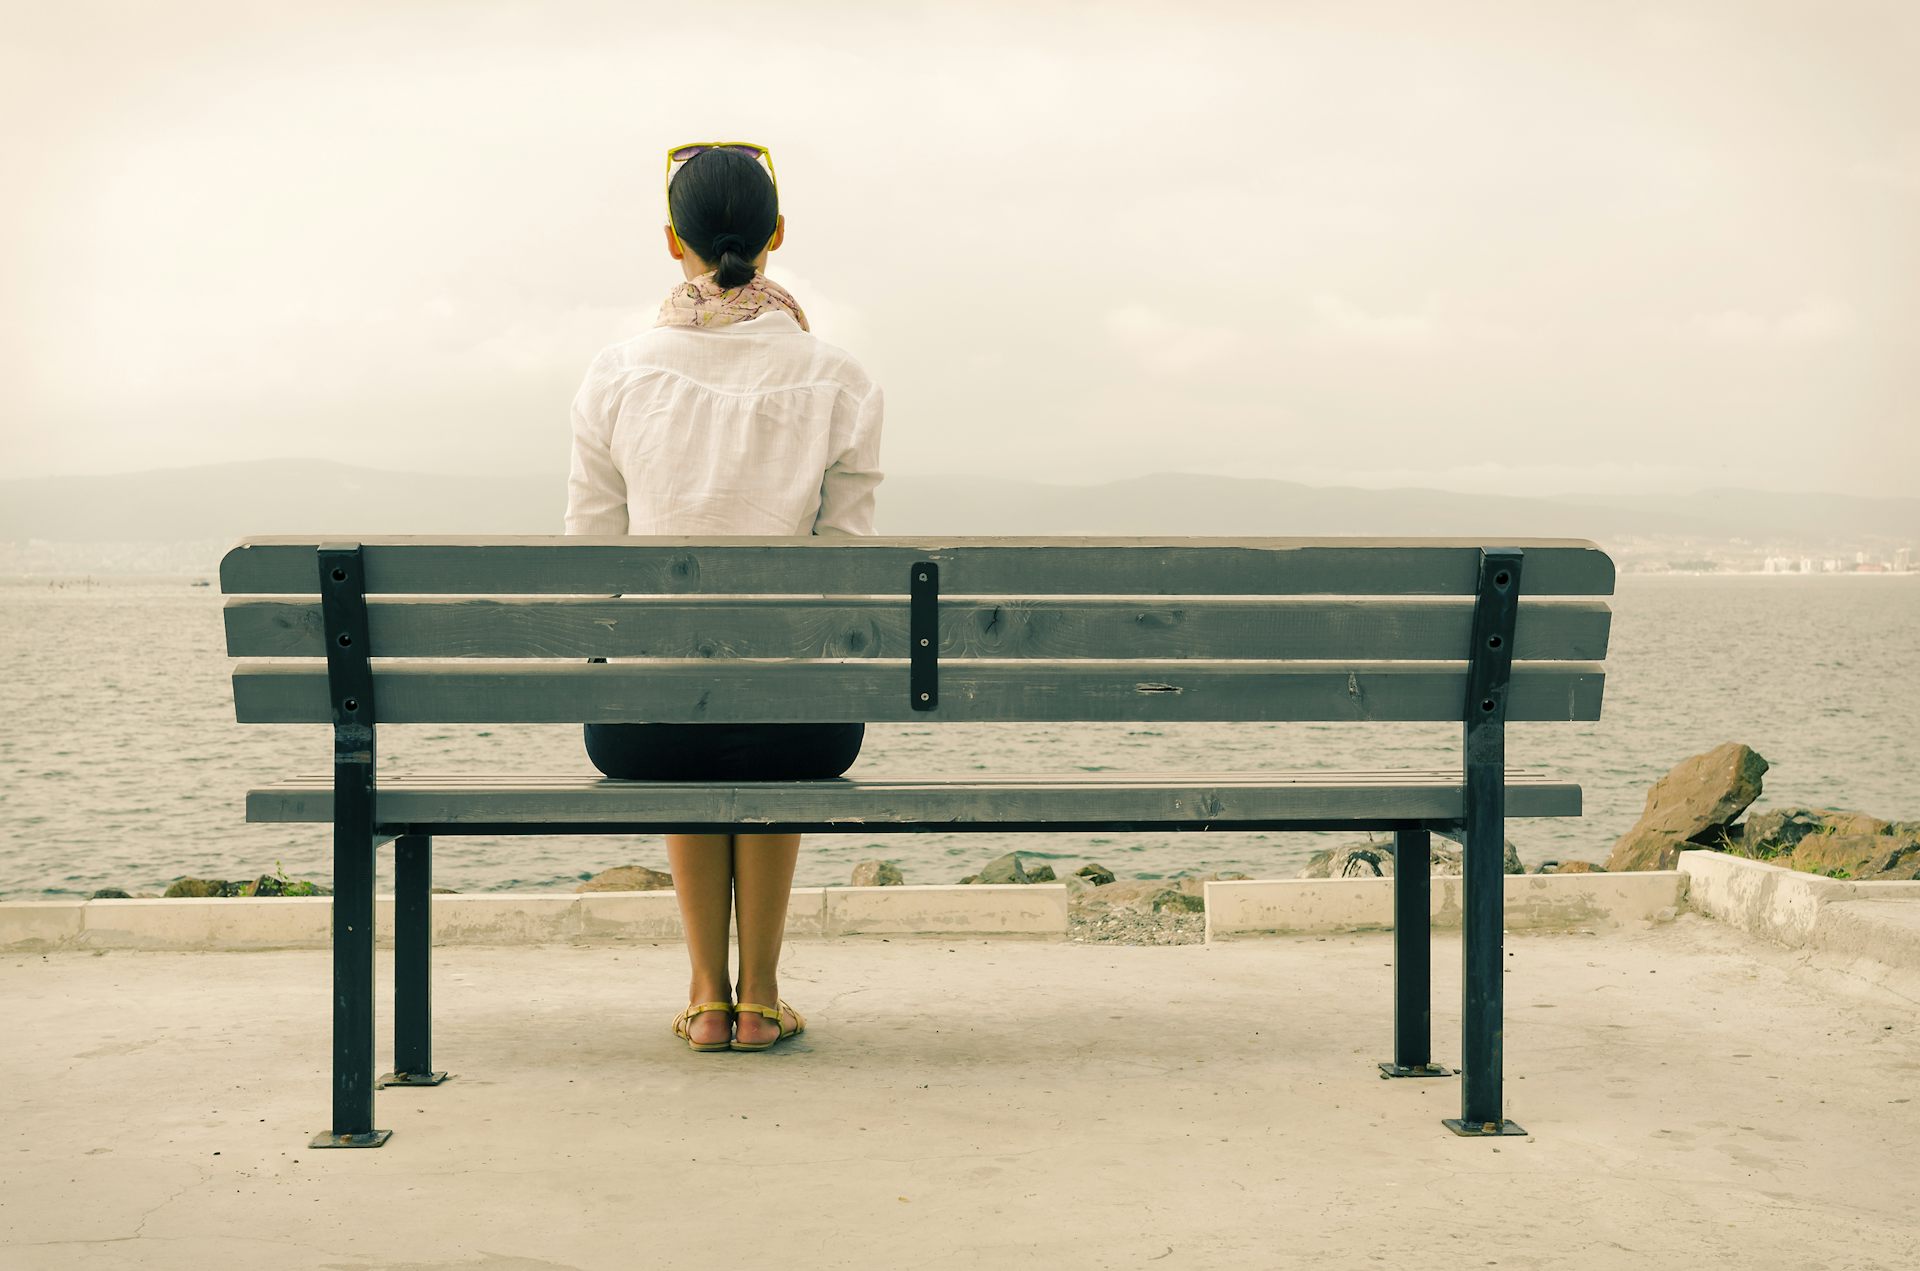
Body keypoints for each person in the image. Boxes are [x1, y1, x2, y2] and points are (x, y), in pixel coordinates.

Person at [563, 142, 884, 1054]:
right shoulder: (842, 377)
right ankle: (764, 994)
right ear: (777, 235)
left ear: (675, 242)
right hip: (805, 725)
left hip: (644, 723)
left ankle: (708, 994)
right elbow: (847, 564)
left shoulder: (615, 375)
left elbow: (590, 554)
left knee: (675, 690)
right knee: (775, 690)